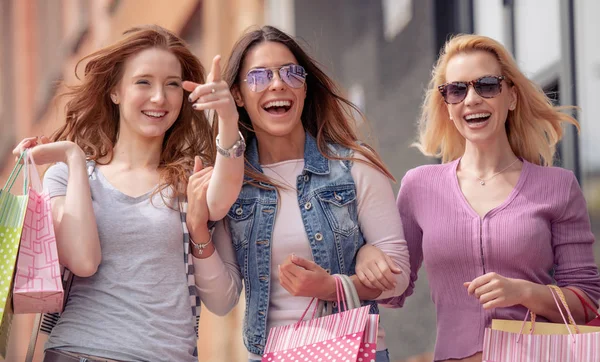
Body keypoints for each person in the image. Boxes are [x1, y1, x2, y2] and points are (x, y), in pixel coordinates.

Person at [12, 25, 243, 362]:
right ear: (115, 91)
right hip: (80, 353)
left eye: (172, 85)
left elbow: (223, 301)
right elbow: (83, 261)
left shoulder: (190, 182)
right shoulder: (68, 175)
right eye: (143, 82)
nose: (159, 98)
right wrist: (74, 158)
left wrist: (228, 118)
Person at [371, 34, 600, 362]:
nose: (472, 99)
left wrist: (522, 292)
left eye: (487, 85)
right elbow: (393, 291)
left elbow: (586, 300)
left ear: (512, 97)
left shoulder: (559, 187)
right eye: (457, 90)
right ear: (447, 107)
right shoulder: (419, 186)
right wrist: (366, 255)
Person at [210, 25, 411, 362]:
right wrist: (199, 228)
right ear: (238, 96)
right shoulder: (232, 182)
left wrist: (332, 286)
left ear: (304, 89)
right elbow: (220, 301)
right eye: (259, 76)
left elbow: (399, 278)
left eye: (291, 73)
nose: (278, 84)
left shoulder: (352, 164)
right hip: (271, 354)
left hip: (354, 351)